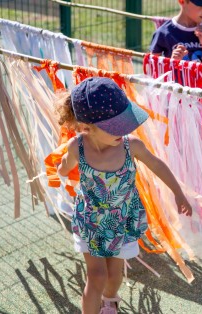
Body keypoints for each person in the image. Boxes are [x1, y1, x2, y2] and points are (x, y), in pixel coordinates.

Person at [54, 77, 192, 314]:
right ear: (88, 126)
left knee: (114, 274)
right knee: (96, 275)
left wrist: (178, 193)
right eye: (116, 126)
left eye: (125, 122)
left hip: (121, 221)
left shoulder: (131, 146)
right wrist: (61, 169)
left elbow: (158, 166)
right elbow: (63, 167)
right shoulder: (77, 147)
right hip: (92, 222)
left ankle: (110, 301)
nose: (126, 130)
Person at [149, 0, 202, 81]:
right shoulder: (163, 33)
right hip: (176, 92)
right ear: (182, 1)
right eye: (201, 5)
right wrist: (172, 62)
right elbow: (152, 73)